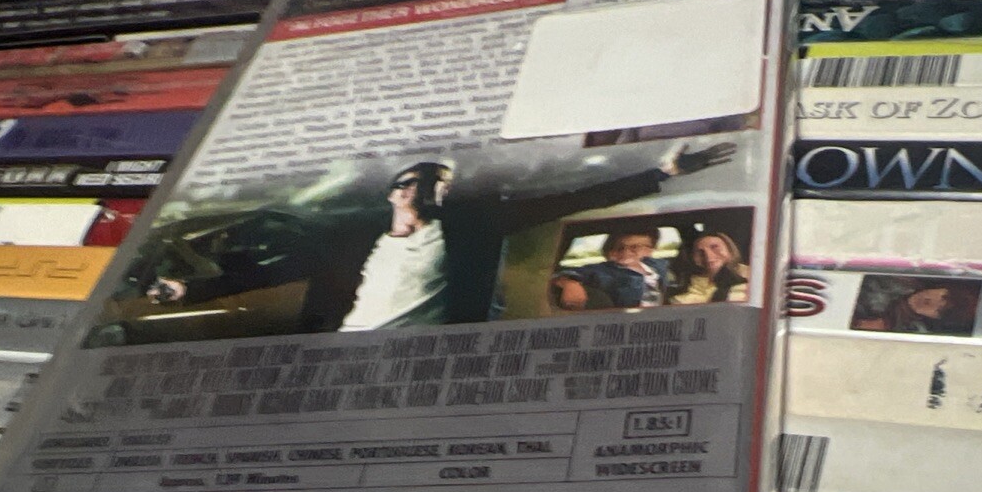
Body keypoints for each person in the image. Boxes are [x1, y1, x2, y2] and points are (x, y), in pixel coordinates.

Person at [131, 140, 737, 333]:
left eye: (441, 185)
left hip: (428, 355)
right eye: (423, 182)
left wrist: (662, 173)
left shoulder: (475, 227)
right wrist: (187, 290)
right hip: (341, 349)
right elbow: (275, 272)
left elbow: (572, 201)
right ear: (398, 192)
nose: (433, 191)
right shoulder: (352, 236)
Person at [552, 227, 670, 311]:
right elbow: (564, 273)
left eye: (635, 247)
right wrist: (570, 283)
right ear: (607, 251)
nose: (625, 252)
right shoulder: (602, 270)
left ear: (650, 250)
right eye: (618, 247)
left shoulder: (657, 265)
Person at [853, 282, 972, 335]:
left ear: (935, 318)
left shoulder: (912, 333)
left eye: (940, 310)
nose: (930, 301)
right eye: (943, 296)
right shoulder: (896, 279)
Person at [670, 232, 749, 305]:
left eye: (715, 247)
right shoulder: (683, 297)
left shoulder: (752, 280)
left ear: (730, 250)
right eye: (700, 252)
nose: (708, 256)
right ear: (694, 259)